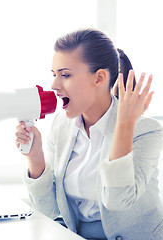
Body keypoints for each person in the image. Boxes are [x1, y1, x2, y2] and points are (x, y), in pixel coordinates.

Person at [15, 28, 163, 240]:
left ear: (99, 78)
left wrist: (125, 123)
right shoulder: (62, 126)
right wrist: (35, 158)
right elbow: (50, 210)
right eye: (54, 75)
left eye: (65, 75)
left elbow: (117, 200)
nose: (54, 85)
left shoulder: (145, 130)